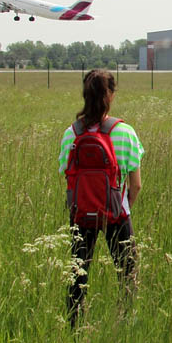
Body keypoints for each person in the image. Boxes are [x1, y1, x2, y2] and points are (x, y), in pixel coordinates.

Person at [59, 69, 144, 327]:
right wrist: (123, 206)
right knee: (127, 274)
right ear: (111, 96)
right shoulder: (125, 132)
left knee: (78, 274)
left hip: (82, 212)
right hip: (116, 212)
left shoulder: (71, 133)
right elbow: (136, 185)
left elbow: (66, 174)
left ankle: (75, 324)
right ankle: (127, 321)